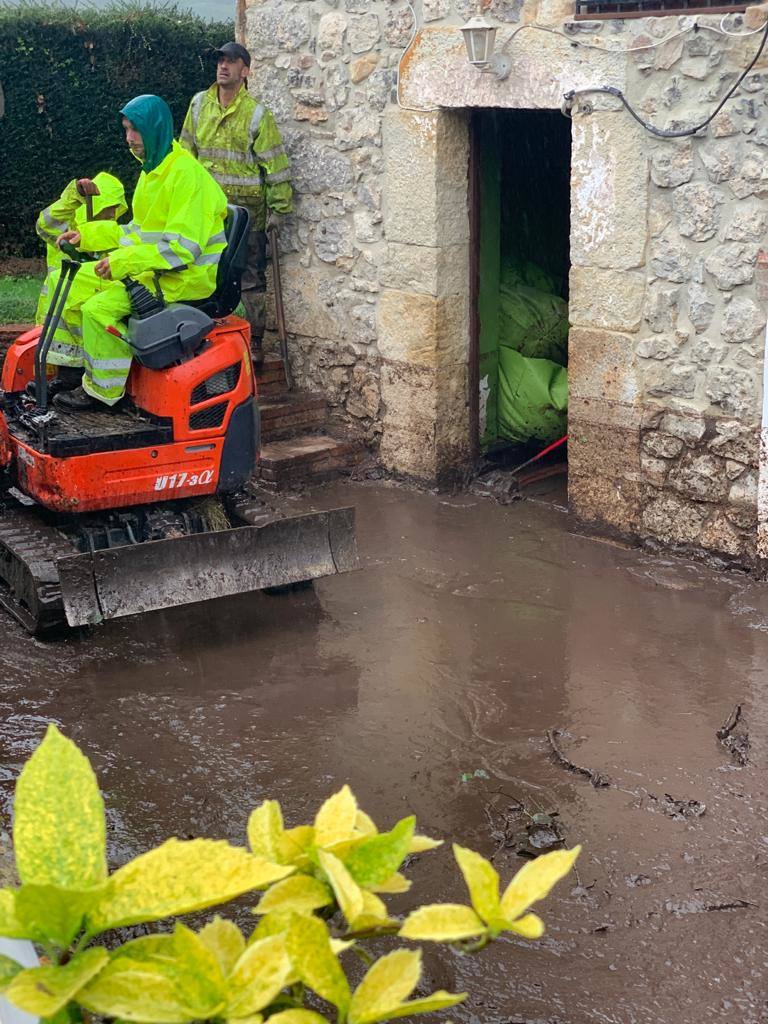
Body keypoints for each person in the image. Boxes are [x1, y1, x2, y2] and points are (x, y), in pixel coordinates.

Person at [47, 94, 228, 410]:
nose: (130, 139)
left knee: (97, 310)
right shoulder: (152, 171)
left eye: (136, 130)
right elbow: (138, 233)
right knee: (73, 283)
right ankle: (73, 373)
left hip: (185, 277)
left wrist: (122, 262)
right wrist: (87, 236)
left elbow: (181, 251)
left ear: (156, 128)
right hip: (156, 269)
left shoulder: (187, 175)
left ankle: (102, 394)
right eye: (127, 129)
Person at [180, 41, 293, 364]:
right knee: (202, 273)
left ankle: (254, 342)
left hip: (247, 217)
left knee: (250, 280)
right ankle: (202, 335)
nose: (223, 66)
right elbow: (185, 155)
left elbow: (275, 165)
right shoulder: (199, 105)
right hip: (206, 214)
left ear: (246, 71)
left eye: (231, 61)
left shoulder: (257, 114)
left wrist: (279, 211)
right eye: (220, 61)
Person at [35, 172, 128, 328]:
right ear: (98, 203)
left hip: (92, 316)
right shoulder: (71, 227)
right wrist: (76, 194)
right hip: (60, 315)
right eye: (110, 207)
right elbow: (44, 225)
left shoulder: (112, 233)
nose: (113, 213)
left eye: (116, 207)